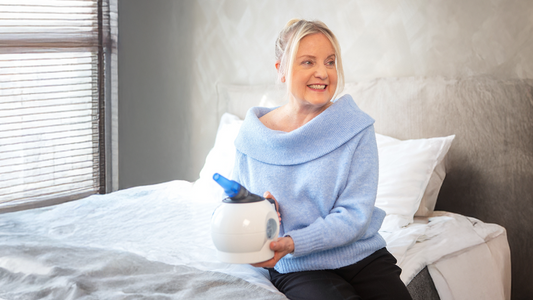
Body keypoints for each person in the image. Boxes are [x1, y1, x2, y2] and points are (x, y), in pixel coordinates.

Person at [232, 19, 412, 300]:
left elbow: (354, 215)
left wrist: (294, 240)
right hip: (297, 266)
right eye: (307, 62)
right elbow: (239, 209)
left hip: (361, 256)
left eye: (330, 62)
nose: (323, 73)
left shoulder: (355, 128)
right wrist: (260, 212)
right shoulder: (252, 137)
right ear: (281, 70)